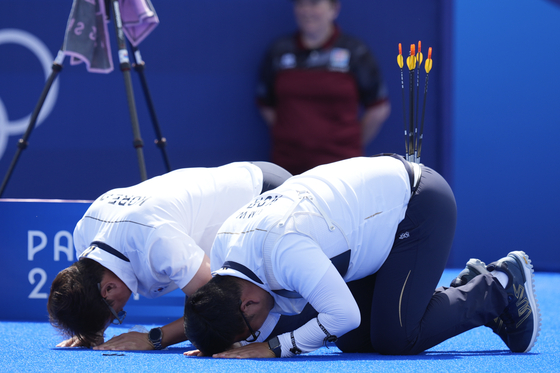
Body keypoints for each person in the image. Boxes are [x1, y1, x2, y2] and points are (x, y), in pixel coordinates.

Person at [183, 155, 541, 358]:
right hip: (369, 228)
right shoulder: (224, 252)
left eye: (250, 330)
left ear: (246, 305)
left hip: (417, 206)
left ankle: (498, 287)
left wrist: (274, 349)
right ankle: (448, 297)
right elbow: (338, 324)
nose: (255, 335)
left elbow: (342, 314)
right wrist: (216, 337)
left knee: (396, 339)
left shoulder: (284, 249)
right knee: (353, 340)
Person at [47, 161, 292, 350]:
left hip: (270, 195)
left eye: (115, 316)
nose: (118, 315)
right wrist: (88, 329)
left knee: (245, 326)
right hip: (241, 176)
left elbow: (222, 307)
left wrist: (155, 338)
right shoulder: (85, 233)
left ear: (108, 290)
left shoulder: (157, 241)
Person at [256, 0, 391, 176]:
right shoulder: (279, 52)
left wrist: (346, 143)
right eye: (300, 4)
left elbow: (378, 108)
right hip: (288, 169)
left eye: (314, 3)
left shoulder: (356, 52)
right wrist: (294, 135)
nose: (306, 10)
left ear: (334, 9)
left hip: (342, 169)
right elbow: (266, 103)